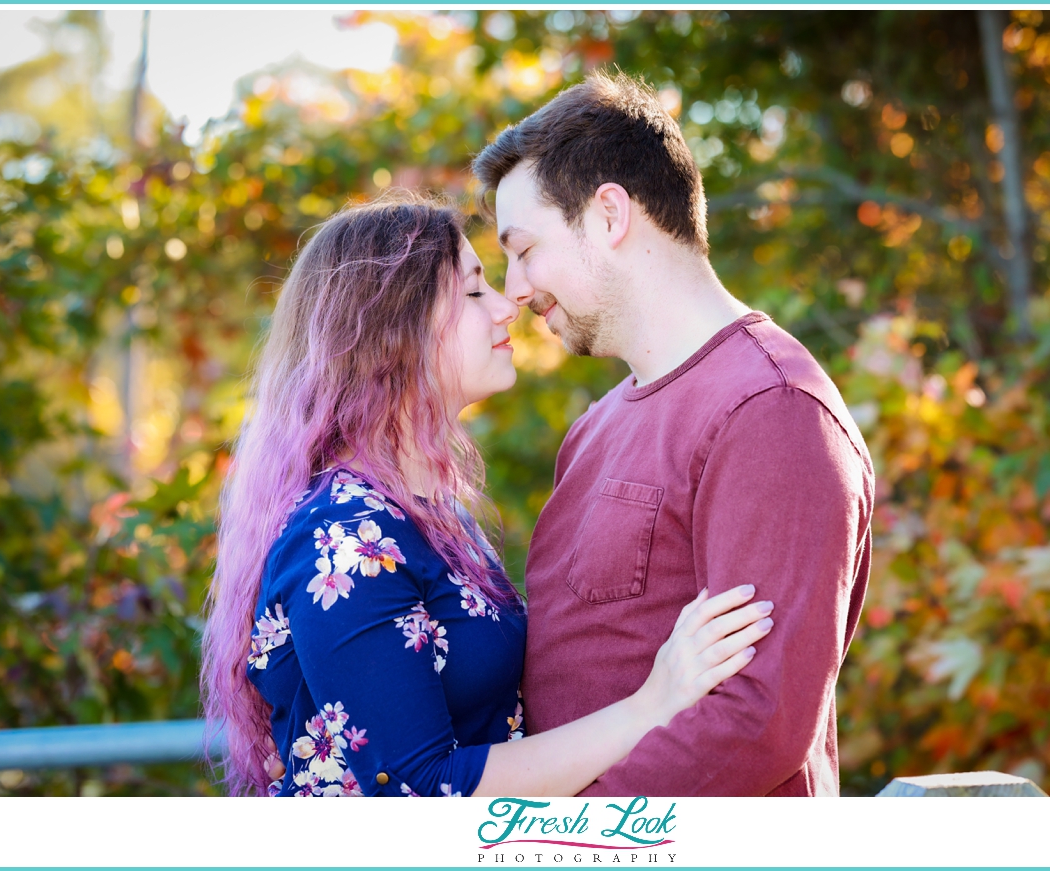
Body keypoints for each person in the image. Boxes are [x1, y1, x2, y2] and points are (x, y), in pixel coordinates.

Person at [200, 195, 776, 797]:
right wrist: (651, 703)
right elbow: (424, 791)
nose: (508, 306)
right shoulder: (344, 542)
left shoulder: (429, 514)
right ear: (394, 328)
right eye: (475, 292)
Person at [472, 71, 875, 796]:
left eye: (524, 249)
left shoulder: (772, 408)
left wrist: (557, 839)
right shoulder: (593, 429)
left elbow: (759, 721)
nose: (516, 287)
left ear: (609, 215)